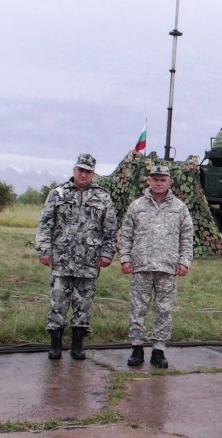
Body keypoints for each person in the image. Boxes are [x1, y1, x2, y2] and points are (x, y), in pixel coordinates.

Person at [35, 153, 117, 360]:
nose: (83, 174)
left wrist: (108, 253)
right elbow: (45, 224)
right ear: (74, 170)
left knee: (84, 304)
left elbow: (110, 228)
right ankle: (55, 344)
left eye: (88, 171)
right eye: (80, 170)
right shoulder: (58, 193)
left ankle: (78, 344)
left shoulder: (103, 197)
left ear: (93, 174)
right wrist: (44, 250)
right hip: (61, 259)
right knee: (58, 302)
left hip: (88, 261)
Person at [118, 165, 194, 368]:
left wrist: (184, 261)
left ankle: (159, 350)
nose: (159, 183)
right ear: (148, 181)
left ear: (169, 182)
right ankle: (137, 348)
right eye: (155, 179)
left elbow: (187, 237)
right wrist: (125, 258)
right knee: (138, 309)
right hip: (141, 266)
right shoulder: (137, 206)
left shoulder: (179, 208)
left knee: (164, 310)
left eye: (163, 180)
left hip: (167, 268)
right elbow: (126, 234)